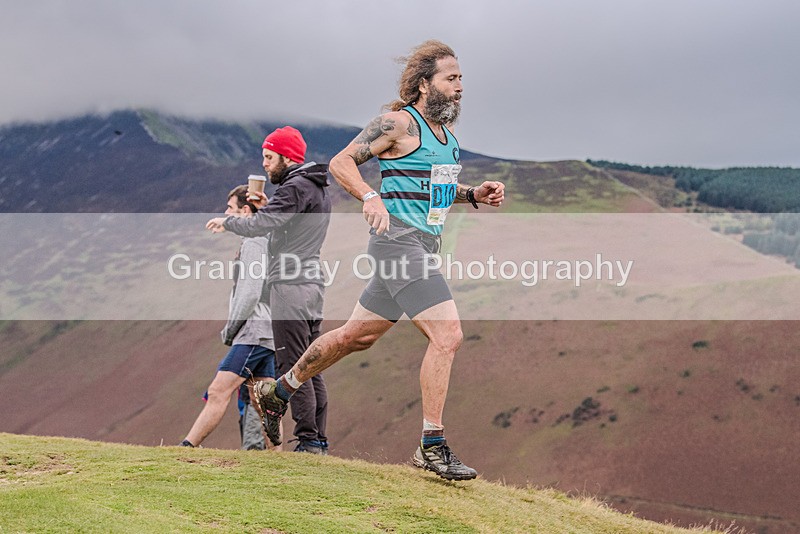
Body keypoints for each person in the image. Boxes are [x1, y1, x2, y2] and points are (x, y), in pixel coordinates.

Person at [251, 40, 505, 480]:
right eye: (452, 78)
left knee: (355, 337)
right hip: (397, 245)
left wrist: (472, 194)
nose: (461, 86)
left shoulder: (448, 139)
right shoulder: (397, 123)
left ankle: (278, 392)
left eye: (462, 78)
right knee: (448, 336)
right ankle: (432, 444)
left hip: (422, 246)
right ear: (425, 84)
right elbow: (341, 162)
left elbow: (433, 191)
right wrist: (370, 196)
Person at [206, 127, 332, 455]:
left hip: (290, 286)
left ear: (286, 156)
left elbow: (262, 226)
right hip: (311, 285)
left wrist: (228, 222)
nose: (264, 164)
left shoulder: (296, 186)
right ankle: (317, 438)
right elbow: (282, 223)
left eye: (268, 156)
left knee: (293, 365)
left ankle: (308, 443)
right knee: (311, 364)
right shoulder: (313, 186)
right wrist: (267, 206)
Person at [181, 185, 277, 449]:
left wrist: (231, 330)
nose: (226, 213)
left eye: (231, 208)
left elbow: (249, 294)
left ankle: (188, 447)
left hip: (254, 331)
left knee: (218, 391)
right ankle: (279, 457)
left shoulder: (254, 243)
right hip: (265, 331)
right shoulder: (262, 239)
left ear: (245, 212)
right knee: (264, 402)